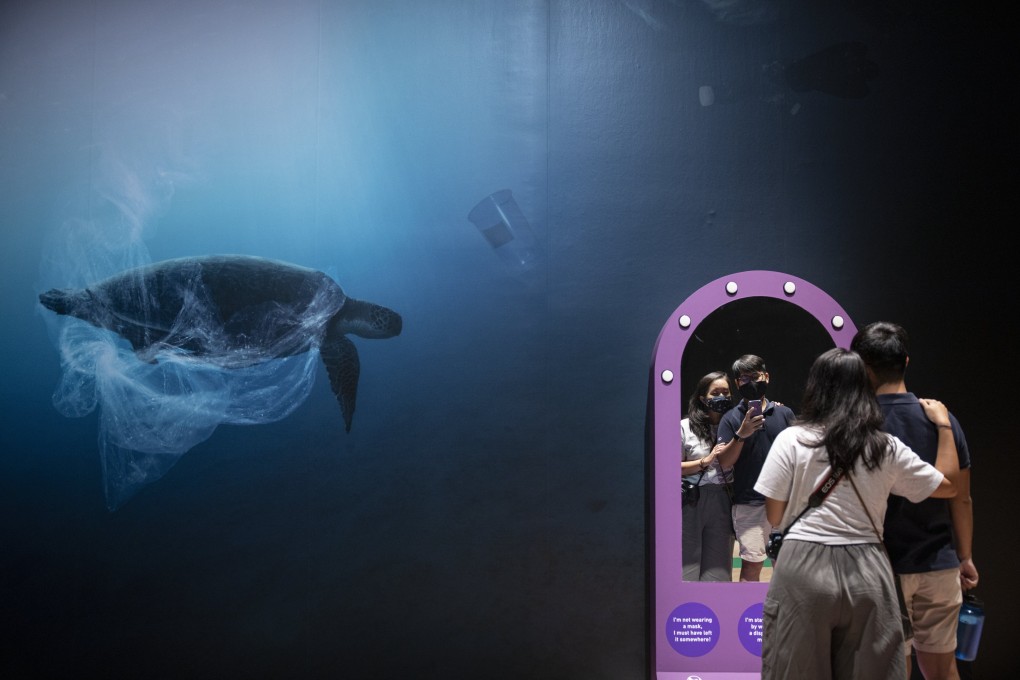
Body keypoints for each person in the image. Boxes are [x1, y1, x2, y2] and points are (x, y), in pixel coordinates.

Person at [754, 348, 959, 680]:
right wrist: (944, 426)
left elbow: (775, 515)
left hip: (802, 567)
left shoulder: (792, 439)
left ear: (815, 387)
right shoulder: (883, 445)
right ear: (864, 387)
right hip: (867, 566)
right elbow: (948, 486)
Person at [851, 322, 977, 680]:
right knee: (942, 669)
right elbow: (962, 498)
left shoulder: (859, 426)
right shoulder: (942, 419)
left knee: (892, 670)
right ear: (906, 361)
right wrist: (965, 556)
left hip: (882, 567)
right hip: (939, 563)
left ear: (863, 368)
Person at [716, 354, 795, 581]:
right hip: (749, 503)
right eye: (743, 378)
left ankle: (783, 616)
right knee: (752, 567)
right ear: (737, 383)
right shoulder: (730, 419)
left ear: (766, 377)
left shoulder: (784, 413)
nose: (750, 382)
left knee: (787, 569)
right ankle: (747, 617)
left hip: (784, 502)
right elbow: (725, 462)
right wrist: (742, 434)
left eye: (754, 376)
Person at [681, 371, 737, 581]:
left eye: (726, 392)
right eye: (716, 393)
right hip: (691, 500)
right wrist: (706, 461)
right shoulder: (685, 427)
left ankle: (717, 610)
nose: (722, 397)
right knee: (687, 565)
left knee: (719, 569)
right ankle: (687, 612)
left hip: (724, 497)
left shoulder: (736, 426)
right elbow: (671, 467)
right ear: (703, 398)